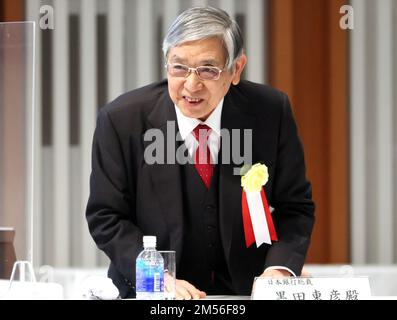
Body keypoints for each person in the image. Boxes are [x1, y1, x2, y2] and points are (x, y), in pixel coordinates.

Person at [86, 6, 315, 299]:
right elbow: (106, 215)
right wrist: (156, 277)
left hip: (245, 293)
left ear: (236, 70)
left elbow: (295, 207)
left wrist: (279, 270)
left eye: (208, 69)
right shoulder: (122, 120)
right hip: (156, 293)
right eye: (178, 67)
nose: (191, 85)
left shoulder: (270, 112)